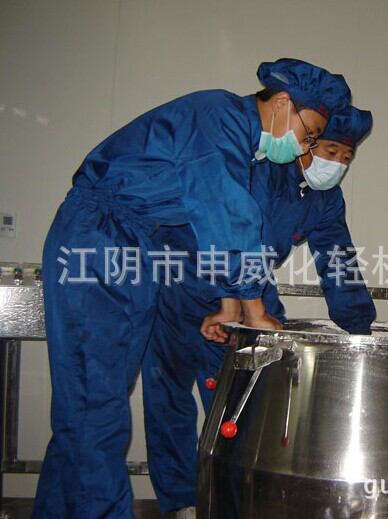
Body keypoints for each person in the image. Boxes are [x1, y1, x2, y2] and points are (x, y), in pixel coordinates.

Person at [33, 58, 351, 519]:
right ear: (283, 104)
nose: (309, 147)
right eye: (311, 134)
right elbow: (226, 213)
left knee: (92, 406)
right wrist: (253, 309)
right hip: (100, 237)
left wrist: (230, 305)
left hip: (135, 243)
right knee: (93, 408)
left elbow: (211, 227)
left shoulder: (243, 147)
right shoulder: (219, 116)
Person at [142, 106, 376, 516]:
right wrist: (231, 297)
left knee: (249, 401)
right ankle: (181, 502)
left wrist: (360, 332)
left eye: (347, 157)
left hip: (250, 286)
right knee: (169, 396)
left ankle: (235, 502)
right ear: (309, 142)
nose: (337, 164)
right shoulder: (260, 171)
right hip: (182, 276)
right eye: (331, 151)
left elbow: (338, 259)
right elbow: (227, 234)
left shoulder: (324, 199)